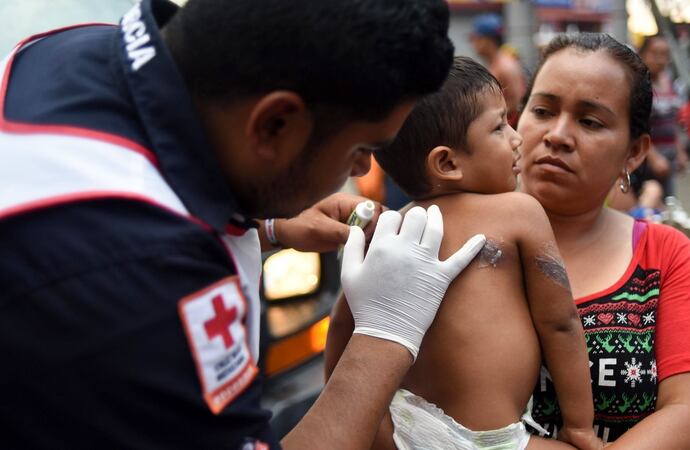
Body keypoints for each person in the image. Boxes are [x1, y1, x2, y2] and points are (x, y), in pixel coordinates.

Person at [0, 1, 487, 449]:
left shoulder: (74, 47)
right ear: (276, 124)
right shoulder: (139, 282)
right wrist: (388, 331)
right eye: (362, 150)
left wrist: (263, 223)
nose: (360, 173)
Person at [325, 57, 600, 450]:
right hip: (494, 440)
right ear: (447, 162)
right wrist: (579, 427)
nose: (517, 138)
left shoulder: (390, 229)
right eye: (499, 126)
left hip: (403, 430)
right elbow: (561, 324)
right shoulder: (519, 212)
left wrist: (362, 430)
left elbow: (343, 325)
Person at [516, 33, 690, 447]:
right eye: (542, 110)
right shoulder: (457, 238)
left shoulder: (664, 256)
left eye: (590, 121)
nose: (558, 134)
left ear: (634, 153)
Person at [637, 35, 689, 198]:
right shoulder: (638, 86)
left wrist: (680, 152)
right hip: (645, 158)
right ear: (643, 54)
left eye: (664, 55)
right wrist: (653, 157)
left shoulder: (671, 84)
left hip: (669, 156)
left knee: (668, 202)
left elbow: (673, 123)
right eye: (655, 53)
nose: (660, 59)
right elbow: (636, 125)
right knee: (648, 202)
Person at [469, 13, 528, 128]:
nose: (472, 43)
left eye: (475, 38)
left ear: (487, 40)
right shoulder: (497, 62)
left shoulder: (505, 66)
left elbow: (517, 103)